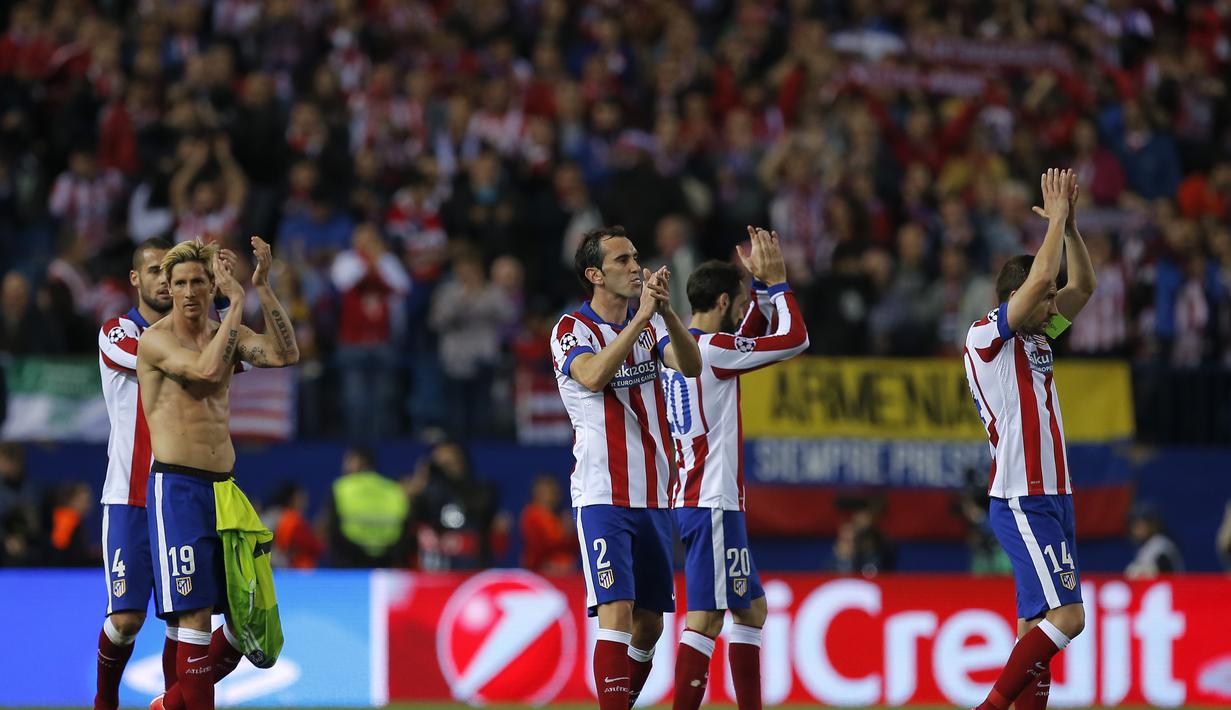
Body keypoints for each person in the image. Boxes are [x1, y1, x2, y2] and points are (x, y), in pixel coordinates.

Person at [139, 236, 299, 710]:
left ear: (212, 286)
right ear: (167, 288)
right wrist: (236, 305)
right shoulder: (157, 341)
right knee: (194, 617)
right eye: (180, 283)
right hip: (178, 490)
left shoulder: (224, 331)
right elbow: (208, 372)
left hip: (224, 491)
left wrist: (263, 288)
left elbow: (285, 354)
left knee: (242, 618)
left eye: (198, 282)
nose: (189, 291)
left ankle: (167, 705)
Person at [550, 225, 701, 710]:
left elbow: (691, 364)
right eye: (622, 260)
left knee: (651, 622)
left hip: (655, 493)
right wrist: (640, 322)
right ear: (594, 274)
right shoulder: (571, 330)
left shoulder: (652, 325)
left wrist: (667, 311)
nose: (635, 266)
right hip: (602, 494)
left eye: (635, 257)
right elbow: (592, 376)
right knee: (615, 610)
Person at [963, 169, 1096, 710]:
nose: (1053, 308)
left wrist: (1070, 230)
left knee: (1033, 625)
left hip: (1054, 496)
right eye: (1043, 301)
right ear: (1017, 297)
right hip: (1022, 495)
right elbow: (1043, 285)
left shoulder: (1039, 336)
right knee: (1069, 618)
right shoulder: (986, 337)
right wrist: (1055, 217)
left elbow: (1082, 286)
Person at [661, 227, 808, 710]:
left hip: (693, 495)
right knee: (704, 619)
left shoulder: (682, 349)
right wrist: (780, 284)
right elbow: (794, 340)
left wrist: (759, 291)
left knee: (752, 610)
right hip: (713, 500)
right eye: (740, 301)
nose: (745, 310)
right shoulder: (714, 352)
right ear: (724, 301)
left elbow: (741, 339)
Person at [93, 237, 177, 710]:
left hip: (181, 494)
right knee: (125, 620)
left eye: (171, 271)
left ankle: (171, 703)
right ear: (135, 279)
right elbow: (156, 358)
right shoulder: (117, 332)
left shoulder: (194, 335)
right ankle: (105, 701)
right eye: (153, 271)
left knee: (184, 618)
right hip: (128, 496)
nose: (163, 280)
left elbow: (246, 356)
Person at [325, 447, 410, 568]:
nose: (344, 465)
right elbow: (404, 528)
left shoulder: (341, 488)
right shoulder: (394, 489)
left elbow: (333, 529)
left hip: (349, 565)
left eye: (349, 460)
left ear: (360, 461)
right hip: (386, 565)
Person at [1125, 503, 1184, 577]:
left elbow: (1159, 569)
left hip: (1172, 587)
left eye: (1142, 524)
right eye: (1135, 525)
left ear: (1154, 524)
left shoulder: (1161, 543)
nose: (1137, 529)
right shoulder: (1146, 545)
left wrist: (1137, 571)